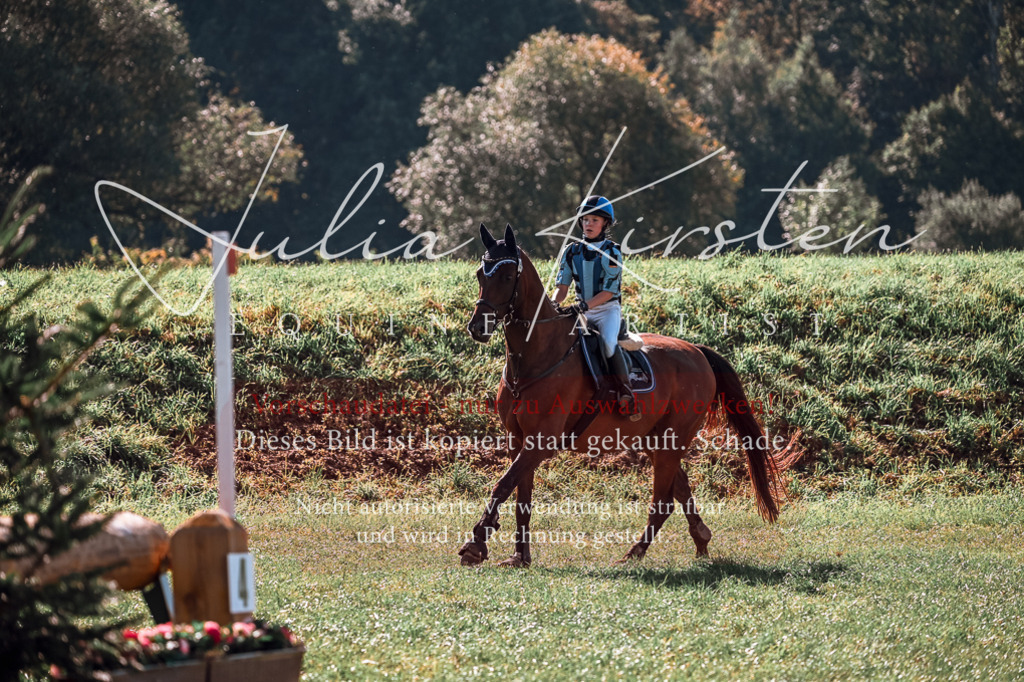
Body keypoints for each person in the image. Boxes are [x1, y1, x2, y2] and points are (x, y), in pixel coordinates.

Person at [552, 195, 639, 421]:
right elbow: (562, 288)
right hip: (582, 311)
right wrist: (552, 304)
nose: (589, 224)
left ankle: (625, 390)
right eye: (586, 220)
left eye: (595, 220)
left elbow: (609, 293)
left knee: (608, 345)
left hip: (607, 310)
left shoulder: (612, 252)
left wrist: (582, 305)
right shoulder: (571, 251)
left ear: (605, 224)